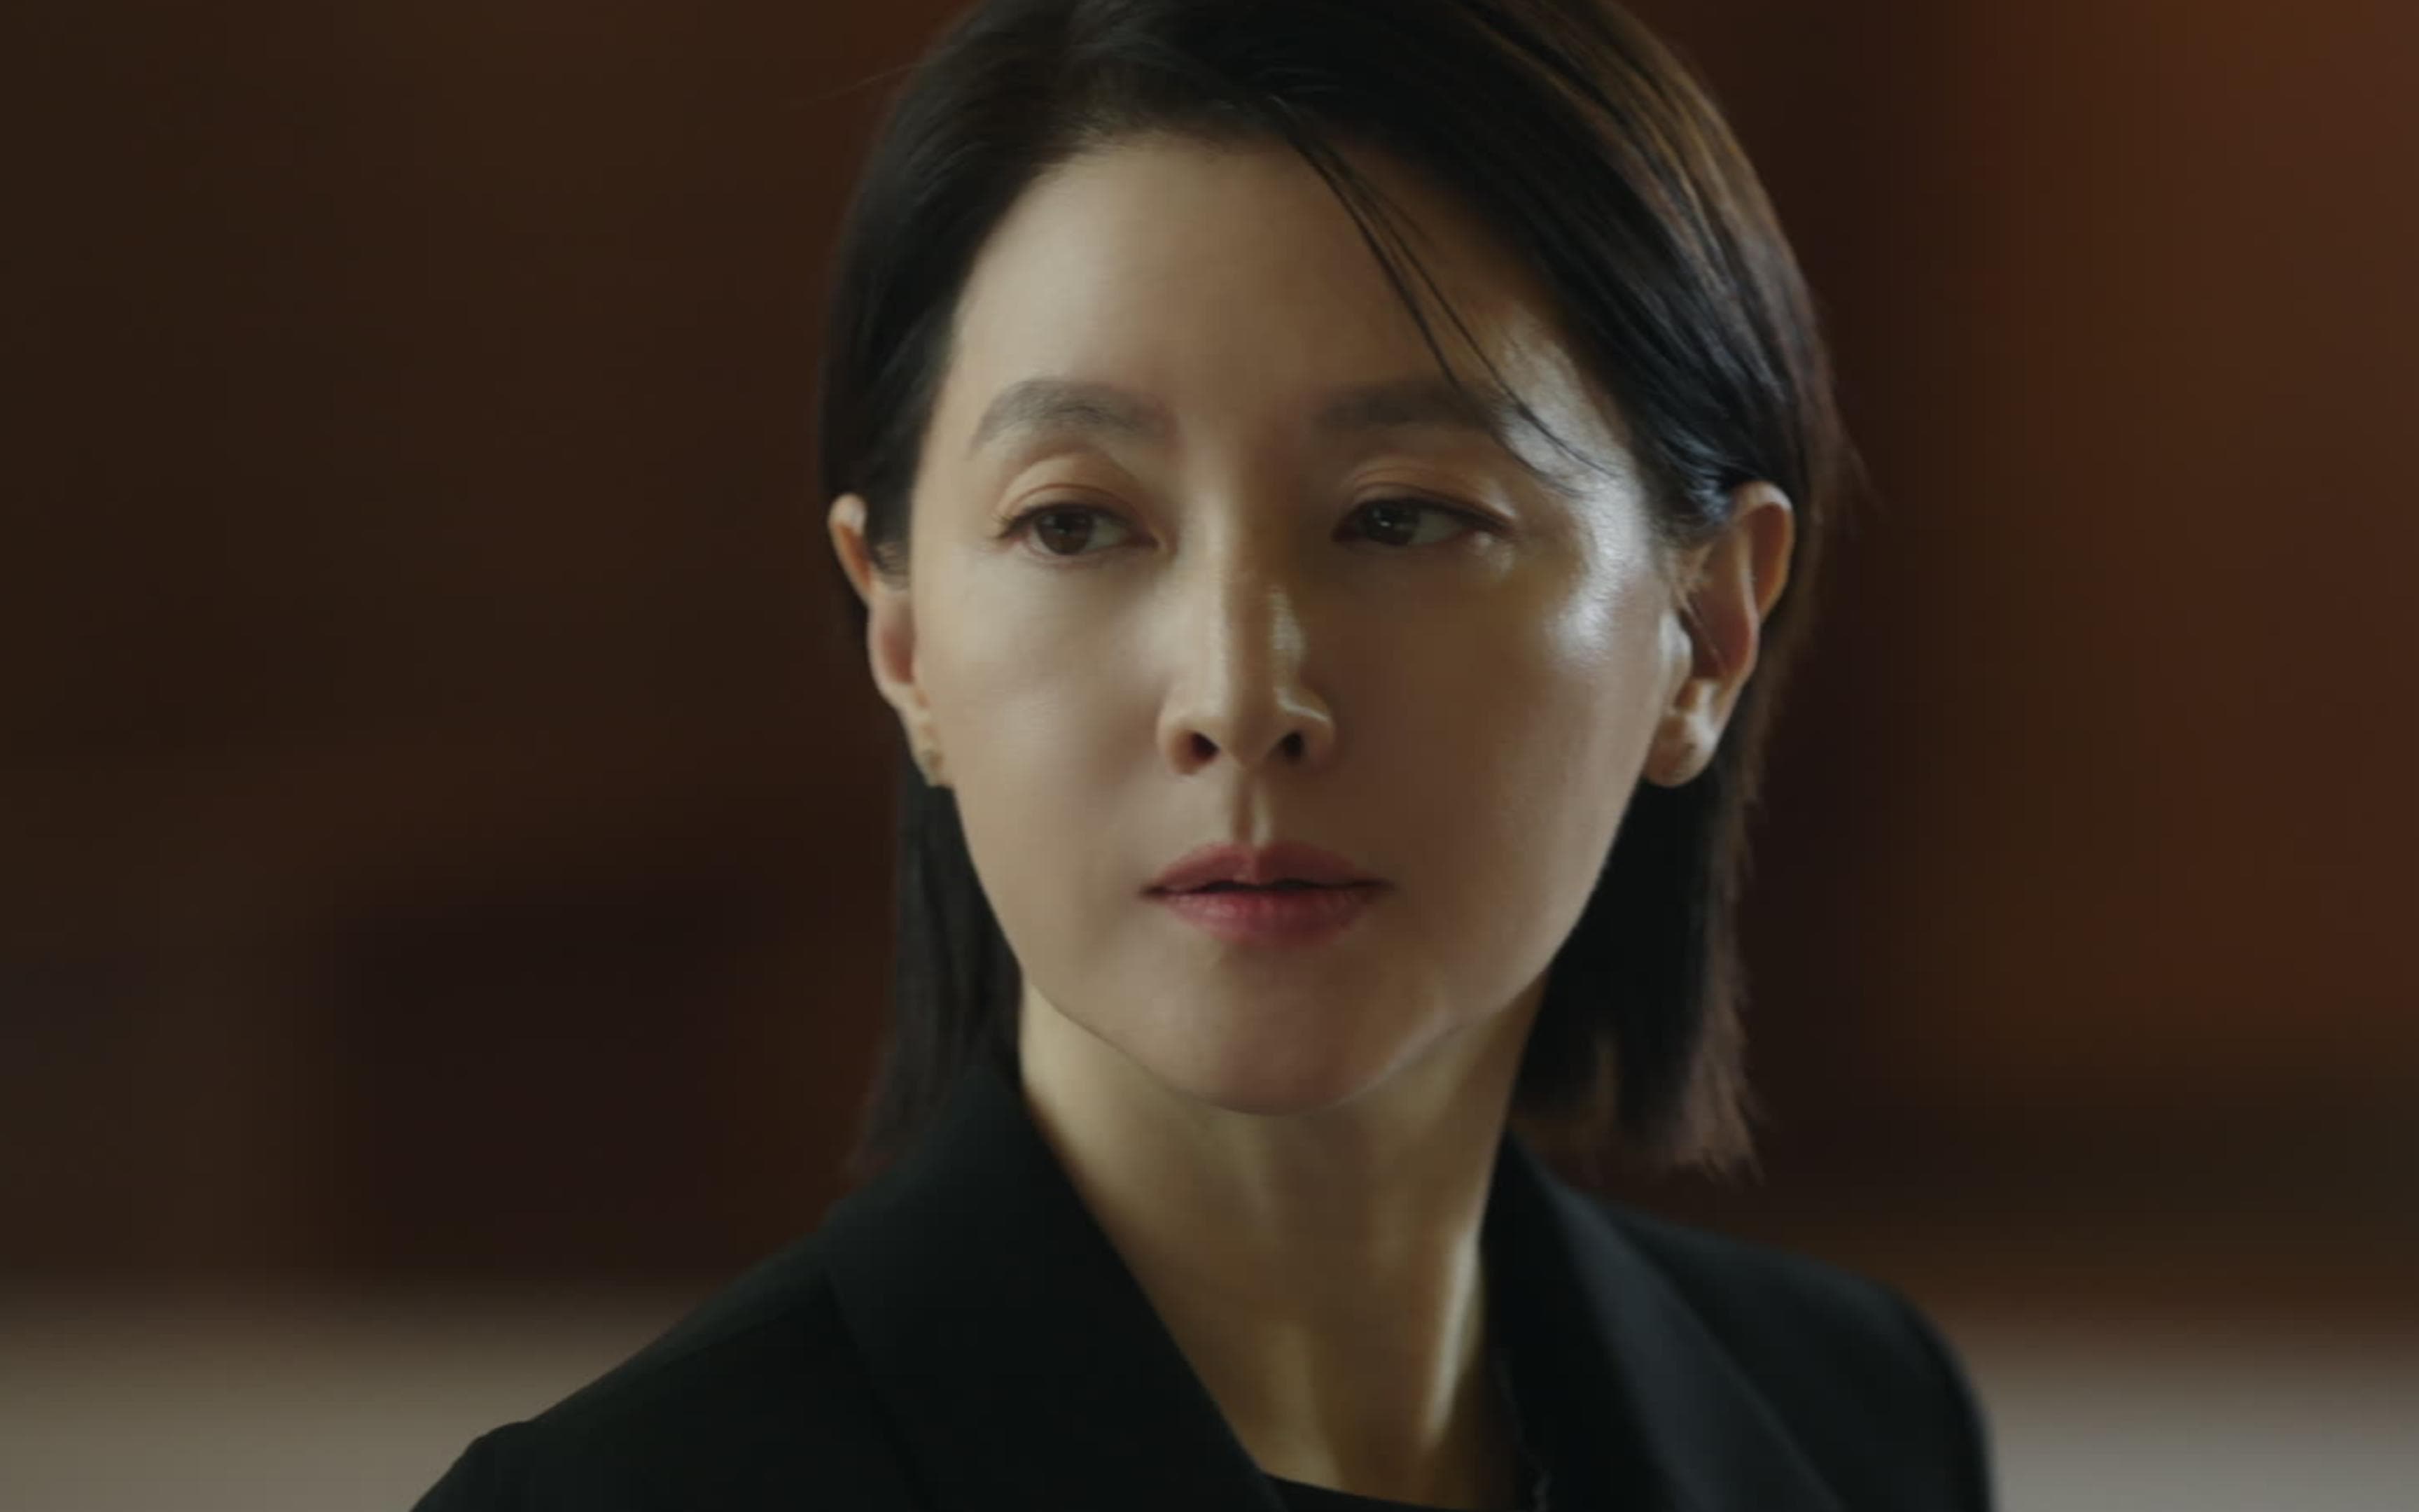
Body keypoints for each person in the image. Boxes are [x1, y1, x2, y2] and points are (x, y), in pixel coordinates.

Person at [412, 1, 1993, 1507]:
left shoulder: (1854, 1425)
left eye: (1402, 517)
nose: (1240, 697)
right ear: (903, 639)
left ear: (1705, 629)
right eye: (1075, 523)